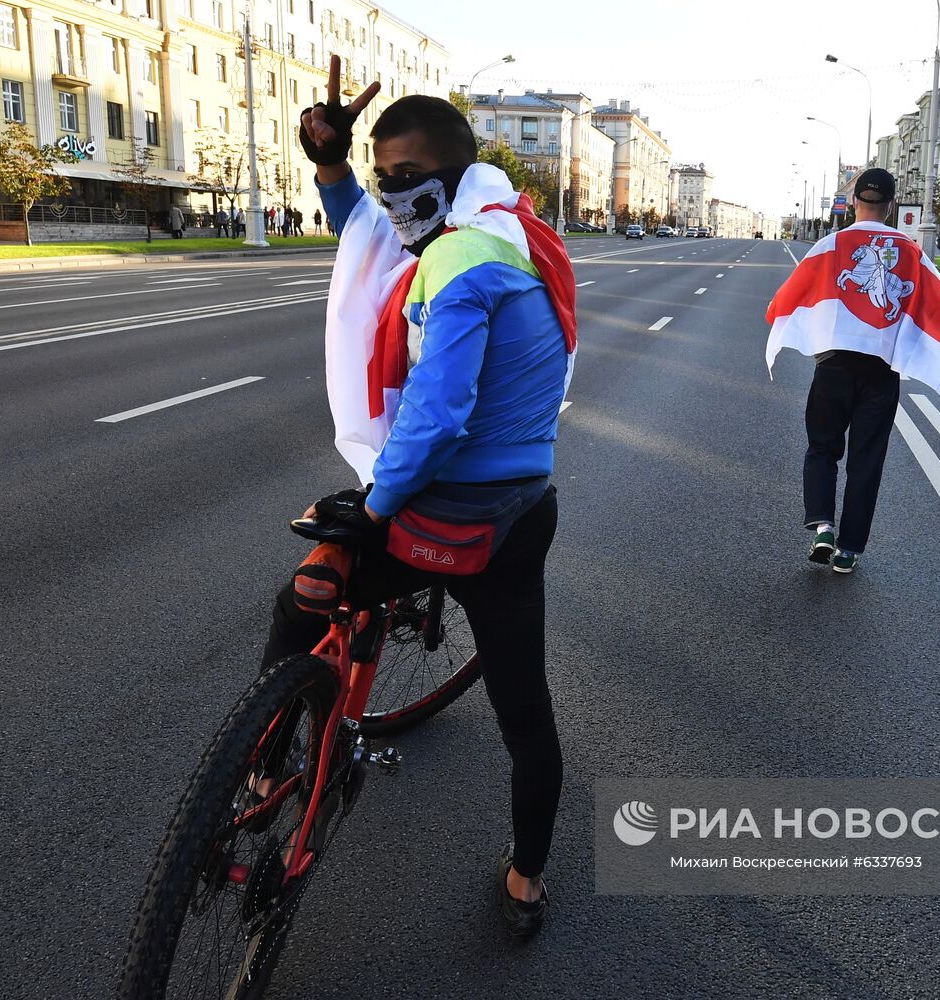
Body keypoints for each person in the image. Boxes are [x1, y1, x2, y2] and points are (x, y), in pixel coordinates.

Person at [267, 55, 577, 939]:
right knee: (525, 712)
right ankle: (526, 881)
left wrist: (372, 510)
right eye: (379, 176)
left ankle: (258, 776)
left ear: (446, 174)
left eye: (405, 179)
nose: (389, 196)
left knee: (299, 601)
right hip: (523, 514)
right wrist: (328, 165)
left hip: (440, 515)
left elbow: (437, 419)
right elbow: (367, 231)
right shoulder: (512, 230)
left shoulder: (459, 262)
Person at [765, 168, 940, 574]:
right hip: (882, 372)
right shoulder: (911, 253)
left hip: (833, 366)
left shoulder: (831, 245)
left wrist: (781, 317)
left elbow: (788, 297)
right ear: (892, 206)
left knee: (822, 447)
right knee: (867, 459)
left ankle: (824, 526)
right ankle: (848, 551)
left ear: (855, 203)